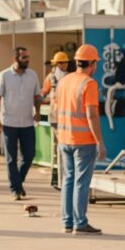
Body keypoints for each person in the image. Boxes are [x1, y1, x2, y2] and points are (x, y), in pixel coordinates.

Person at [54, 44, 106, 235]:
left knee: (68, 180)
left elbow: (56, 109)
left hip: (64, 139)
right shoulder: (89, 84)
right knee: (81, 182)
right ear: (92, 64)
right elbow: (91, 115)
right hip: (83, 140)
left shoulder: (64, 81)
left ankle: (67, 222)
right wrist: (99, 141)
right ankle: (80, 222)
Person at [0, 47, 42, 201]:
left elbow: (37, 95)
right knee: (11, 158)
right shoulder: (4, 75)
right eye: (24, 57)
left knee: (29, 155)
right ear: (16, 59)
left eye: (28, 56)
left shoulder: (32, 75)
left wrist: (38, 111)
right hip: (9, 122)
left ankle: (18, 183)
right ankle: (15, 189)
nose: (27, 59)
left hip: (27, 122)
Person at [42, 51, 71, 187]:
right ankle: (57, 178)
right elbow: (43, 93)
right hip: (55, 117)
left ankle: (63, 178)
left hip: (67, 118)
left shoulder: (70, 77)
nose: (65, 64)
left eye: (66, 62)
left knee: (63, 148)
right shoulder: (50, 77)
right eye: (62, 62)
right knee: (57, 148)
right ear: (57, 64)